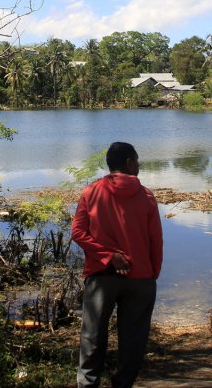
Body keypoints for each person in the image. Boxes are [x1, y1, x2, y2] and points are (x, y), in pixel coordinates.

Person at [71, 142, 164, 388]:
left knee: (92, 338)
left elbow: (78, 233)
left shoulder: (91, 192)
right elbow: (156, 239)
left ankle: (88, 384)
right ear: (130, 163)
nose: (139, 165)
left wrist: (108, 256)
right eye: (137, 161)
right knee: (133, 341)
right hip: (140, 277)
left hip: (101, 276)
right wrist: (152, 273)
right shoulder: (146, 196)